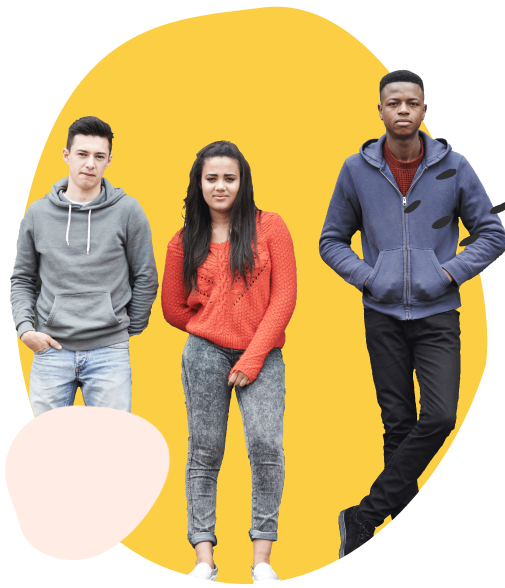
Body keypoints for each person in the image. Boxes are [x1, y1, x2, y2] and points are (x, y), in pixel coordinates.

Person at [319, 70, 505, 558]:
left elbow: (492, 233)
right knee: (398, 423)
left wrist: (448, 274)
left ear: (425, 110)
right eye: (393, 103)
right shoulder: (356, 170)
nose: (402, 110)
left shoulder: (456, 167)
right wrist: (367, 277)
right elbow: (331, 240)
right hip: (381, 315)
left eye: (412, 103)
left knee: (440, 416)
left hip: (438, 314)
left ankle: (363, 515)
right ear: (379, 110)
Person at [161, 140, 297, 582]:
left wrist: (252, 357)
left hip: (263, 354)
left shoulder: (270, 227)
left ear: (243, 182)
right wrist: (210, 329)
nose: (221, 186)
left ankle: (261, 561)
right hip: (204, 356)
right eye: (212, 178)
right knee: (204, 452)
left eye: (229, 178)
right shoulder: (183, 241)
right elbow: (172, 309)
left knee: (265, 446)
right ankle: (203, 559)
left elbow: (284, 298)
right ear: (199, 183)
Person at [10, 116, 159, 416]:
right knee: (48, 449)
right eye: (82, 154)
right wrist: (26, 330)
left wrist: (124, 329)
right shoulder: (38, 214)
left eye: (98, 156)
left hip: (109, 354)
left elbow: (146, 276)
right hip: (51, 351)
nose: (90, 163)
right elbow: (22, 280)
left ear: (108, 161)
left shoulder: (128, 211)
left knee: (112, 449)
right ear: (66, 155)